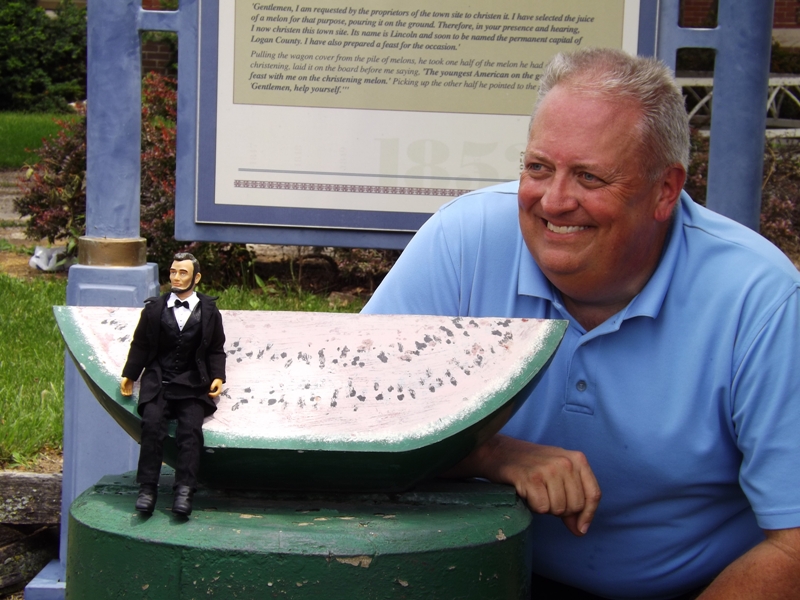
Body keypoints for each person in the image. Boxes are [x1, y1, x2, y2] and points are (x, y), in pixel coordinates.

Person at [363, 48, 800, 599]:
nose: (554, 201)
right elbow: (353, 419)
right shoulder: (463, 241)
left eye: (589, 177)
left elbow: (794, 546)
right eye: (538, 168)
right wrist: (490, 452)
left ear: (665, 190)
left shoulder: (759, 298)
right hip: (481, 575)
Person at [120, 252, 226, 517]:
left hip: (192, 383)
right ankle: (147, 488)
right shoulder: (154, 309)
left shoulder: (209, 311)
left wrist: (218, 376)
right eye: (173, 272)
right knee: (151, 426)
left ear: (196, 277)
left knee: (190, 431)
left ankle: (184, 491)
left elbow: (216, 348)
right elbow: (140, 344)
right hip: (160, 380)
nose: (176, 278)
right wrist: (130, 373)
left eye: (183, 273)